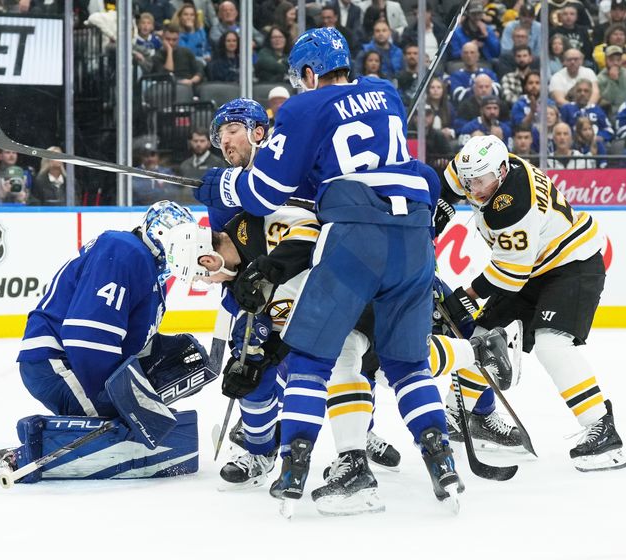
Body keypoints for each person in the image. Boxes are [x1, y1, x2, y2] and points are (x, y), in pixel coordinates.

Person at [196, 27, 462, 510]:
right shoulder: (385, 92)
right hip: (415, 234)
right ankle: (441, 460)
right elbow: (404, 168)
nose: (299, 87)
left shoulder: (302, 108)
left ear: (311, 73)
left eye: (300, 78)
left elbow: (263, 194)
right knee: (406, 364)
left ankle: (303, 466)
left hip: (357, 234)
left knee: (313, 357)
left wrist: (221, 185)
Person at [0, 201, 217, 481]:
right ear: (167, 236)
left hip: (77, 362)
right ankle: (27, 451)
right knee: (120, 425)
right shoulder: (124, 250)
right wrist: (117, 403)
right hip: (56, 361)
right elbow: (87, 338)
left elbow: (129, 345)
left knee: (140, 421)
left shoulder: (149, 272)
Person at [435, 135, 626, 473]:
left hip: (572, 265)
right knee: (483, 336)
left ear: (502, 171)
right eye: (469, 181)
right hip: (535, 265)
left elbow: (510, 275)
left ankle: (603, 429)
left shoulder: (511, 205)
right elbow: (448, 186)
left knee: (552, 345)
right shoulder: (480, 166)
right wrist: (432, 213)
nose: (473, 189)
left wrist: (465, 296)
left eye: (479, 182)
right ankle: (464, 413)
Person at [559, 79, 614, 143]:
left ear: (590, 93)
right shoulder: (566, 109)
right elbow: (559, 129)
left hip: (595, 144)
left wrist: (599, 137)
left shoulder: (597, 110)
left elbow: (609, 130)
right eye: (579, 91)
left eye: (586, 91)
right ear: (574, 93)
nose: (582, 93)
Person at [598, 45, 626, 117]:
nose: (615, 63)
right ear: (605, 60)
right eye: (611, 60)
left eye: (618, 60)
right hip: (615, 114)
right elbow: (608, 101)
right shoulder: (600, 78)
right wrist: (612, 81)